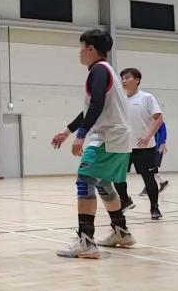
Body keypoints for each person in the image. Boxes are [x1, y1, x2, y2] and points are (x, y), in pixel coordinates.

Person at [51, 28, 135, 259]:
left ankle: (86, 241)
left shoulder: (98, 70)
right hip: (119, 138)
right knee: (103, 183)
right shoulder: (108, 71)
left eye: (82, 48)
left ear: (90, 49)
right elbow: (91, 108)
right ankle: (121, 231)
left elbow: (96, 103)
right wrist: (67, 131)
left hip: (106, 137)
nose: (80, 53)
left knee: (85, 180)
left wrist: (81, 135)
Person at [113, 68, 164, 220]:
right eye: (122, 78)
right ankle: (125, 200)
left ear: (137, 80)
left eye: (127, 78)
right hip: (124, 147)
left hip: (144, 147)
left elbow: (158, 118)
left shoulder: (147, 98)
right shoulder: (120, 100)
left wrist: (148, 136)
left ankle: (154, 208)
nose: (123, 81)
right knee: (117, 178)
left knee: (148, 178)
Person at [141, 121, 169, 195]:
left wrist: (162, 144)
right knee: (150, 168)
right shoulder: (147, 121)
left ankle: (148, 188)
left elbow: (163, 133)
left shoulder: (159, 121)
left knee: (150, 168)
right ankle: (162, 182)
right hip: (149, 147)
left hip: (156, 148)